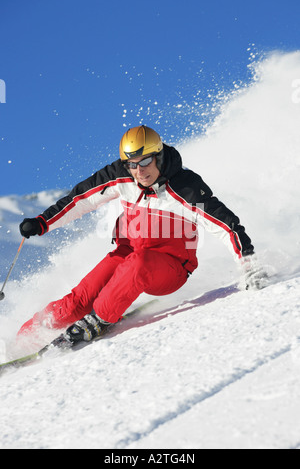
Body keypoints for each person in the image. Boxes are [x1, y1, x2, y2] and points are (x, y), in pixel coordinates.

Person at [18, 125, 266, 347]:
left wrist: (248, 265)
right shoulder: (121, 174)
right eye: (132, 164)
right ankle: (22, 339)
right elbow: (80, 199)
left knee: (139, 264)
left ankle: (99, 319)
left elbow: (225, 224)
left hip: (171, 267)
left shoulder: (184, 187)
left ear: (158, 156)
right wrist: (42, 222)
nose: (139, 171)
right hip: (128, 253)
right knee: (75, 303)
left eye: (145, 161)